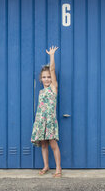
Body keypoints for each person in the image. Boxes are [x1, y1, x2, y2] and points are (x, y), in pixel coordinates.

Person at [31, 46, 62, 178]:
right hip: (40, 121)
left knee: (53, 144)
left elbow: (53, 69)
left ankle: (58, 169)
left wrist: (52, 56)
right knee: (43, 145)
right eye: (44, 77)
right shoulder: (41, 92)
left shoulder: (53, 88)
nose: (47, 79)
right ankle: (46, 166)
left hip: (50, 122)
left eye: (49, 77)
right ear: (40, 79)